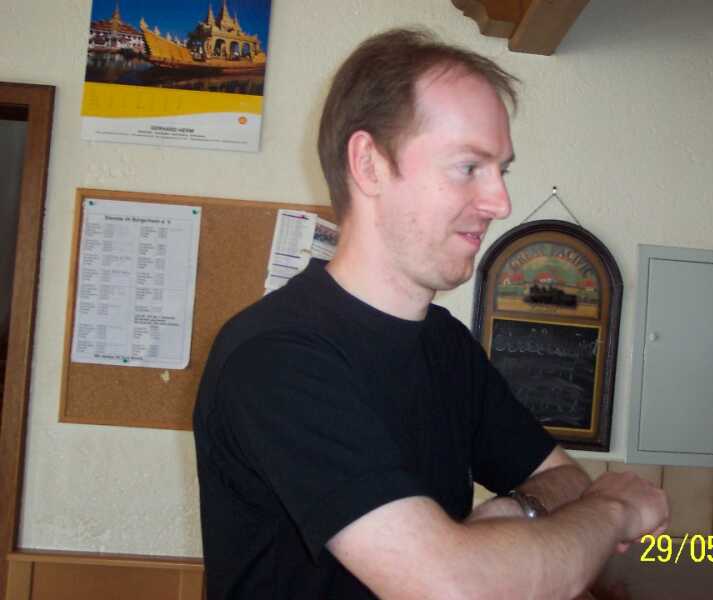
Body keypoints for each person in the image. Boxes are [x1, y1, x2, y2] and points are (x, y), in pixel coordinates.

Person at [193, 28, 669, 600]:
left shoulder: (445, 343)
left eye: (501, 171)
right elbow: (454, 589)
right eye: (469, 167)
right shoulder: (276, 359)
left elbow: (561, 475)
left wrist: (520, 509)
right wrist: (615, 511)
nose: (500, 202)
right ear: (369, 165)